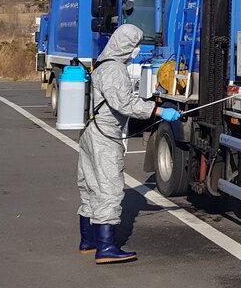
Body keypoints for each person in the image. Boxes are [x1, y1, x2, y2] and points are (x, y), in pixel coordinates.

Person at [76, 24, 181, 264]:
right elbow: (123, 104)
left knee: (91, 186)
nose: (137, 49)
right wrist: (158, 110)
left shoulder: (102, 64)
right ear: (126, 45)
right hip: (104, 136)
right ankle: (106, 248)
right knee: (109, 188)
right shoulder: (114, 69)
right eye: (135, 44)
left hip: (92, 133)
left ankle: (89, 241)